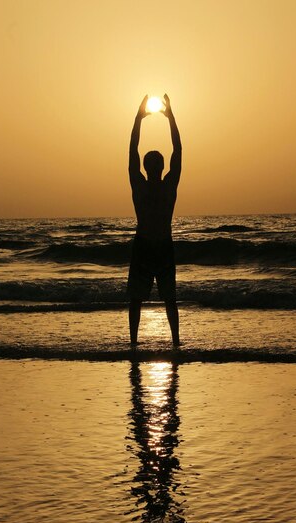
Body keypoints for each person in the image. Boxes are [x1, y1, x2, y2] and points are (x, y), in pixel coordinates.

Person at [128, 94, 182, 347]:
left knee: (138, 300)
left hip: (148, 245)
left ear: (148, 167)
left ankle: (134, 342)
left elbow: (132, 151)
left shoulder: (140, 185)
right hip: (159, 245)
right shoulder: (168, 186)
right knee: (167, 299)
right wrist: (170, 118)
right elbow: (178, 151)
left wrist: (138, 119)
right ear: (160, 167)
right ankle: (175, 342)